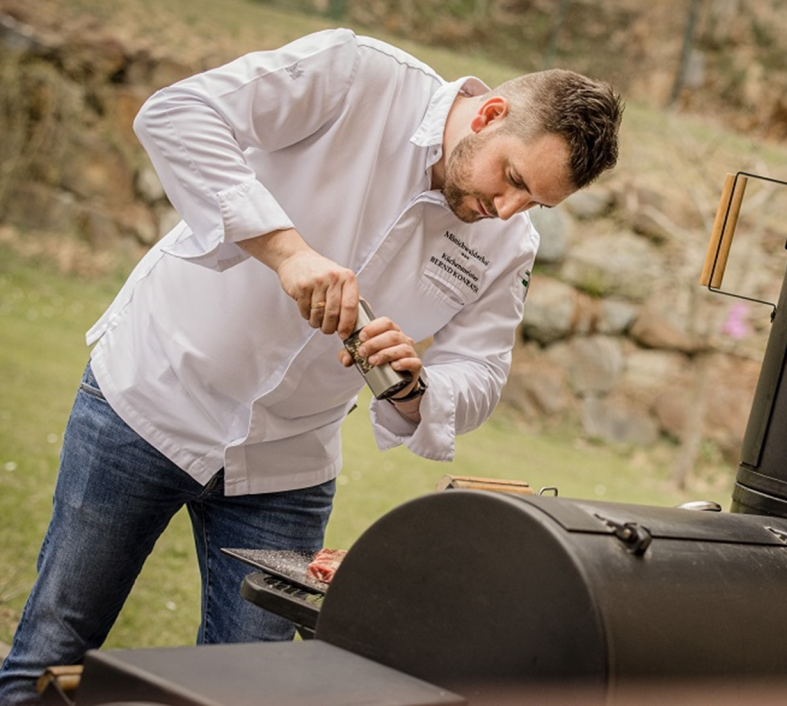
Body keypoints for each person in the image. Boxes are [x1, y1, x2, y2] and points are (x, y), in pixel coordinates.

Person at [0, 28, 622, 704]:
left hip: (288, 466)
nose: (506, 211)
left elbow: (482, 373)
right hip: (152, 398)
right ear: (490, 114)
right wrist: (286, 250)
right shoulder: (356, 74)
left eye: (535, 204)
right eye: (513, 180)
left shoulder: (510, 242)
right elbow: (177, 114)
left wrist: (418, 384)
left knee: (255, 694)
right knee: (54, 647)